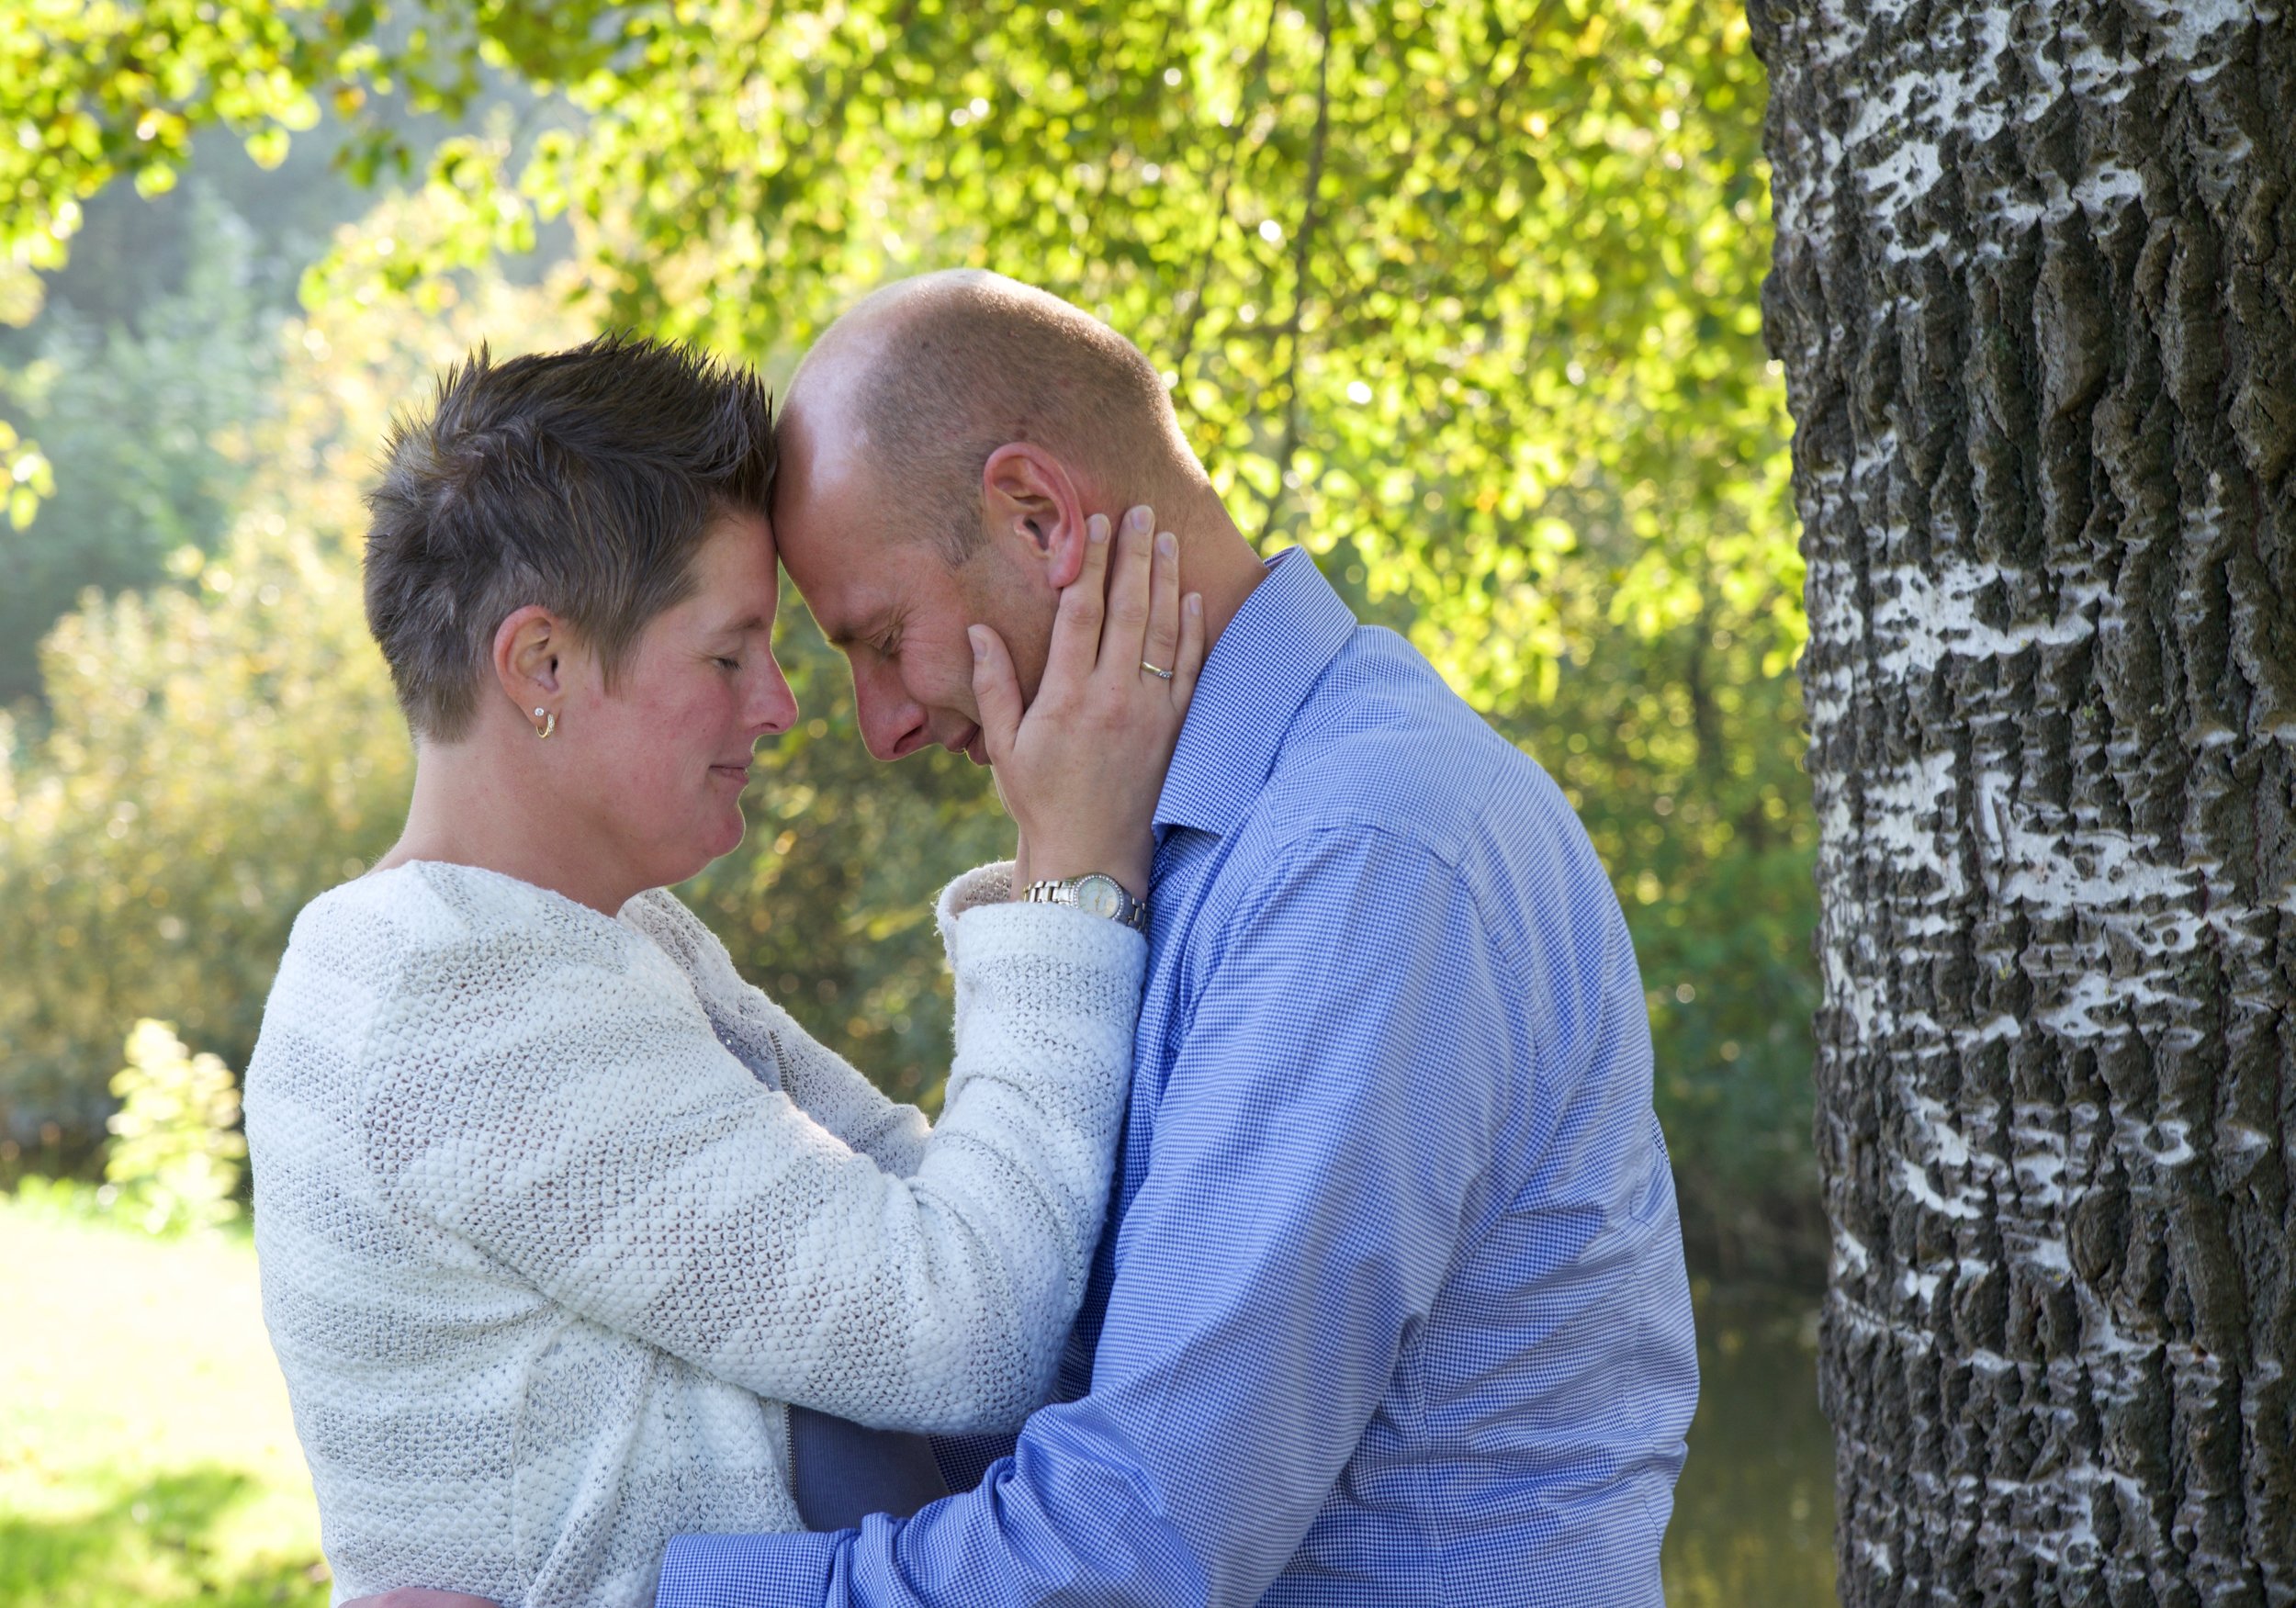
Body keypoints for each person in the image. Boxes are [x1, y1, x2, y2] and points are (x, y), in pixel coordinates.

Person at [355, 270, 1699, 1608]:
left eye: (882, 640)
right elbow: (997, 1348)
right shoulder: (1188, 848)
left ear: (1039, 516)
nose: (875, 726)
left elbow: (1128, 1551)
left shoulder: (1360, 859)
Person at [242, 333, 1205, 1607]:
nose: (780, 709)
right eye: (726, 654)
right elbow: (961, 1327)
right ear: (540, 665)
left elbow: (924, 1203)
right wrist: (1072, 874)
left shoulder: (596, 936)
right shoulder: (448, 996)